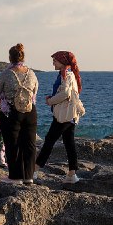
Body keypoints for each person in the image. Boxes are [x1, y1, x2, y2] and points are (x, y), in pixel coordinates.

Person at [0, 43, 39, 184]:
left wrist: (5, 97)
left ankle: (15, 177)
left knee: (13, 143)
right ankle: (29, 176)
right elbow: (35, 91)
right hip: (30, 111)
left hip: (11, 112)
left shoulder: (7, 74)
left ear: (10, 58)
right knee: (30, 144)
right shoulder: (31, 73)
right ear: (23, 57)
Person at [35, 50, 86, 184]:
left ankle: (34, 170)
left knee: (49, 140)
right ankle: (72, 175)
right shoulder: (66, 74)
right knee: (69, 143)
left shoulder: (66, 75)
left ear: (62, 62)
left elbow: (65, 94)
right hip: (69, 115)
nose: (53, 63)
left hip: (64, 116)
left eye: (55, 61)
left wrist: (50, 101)